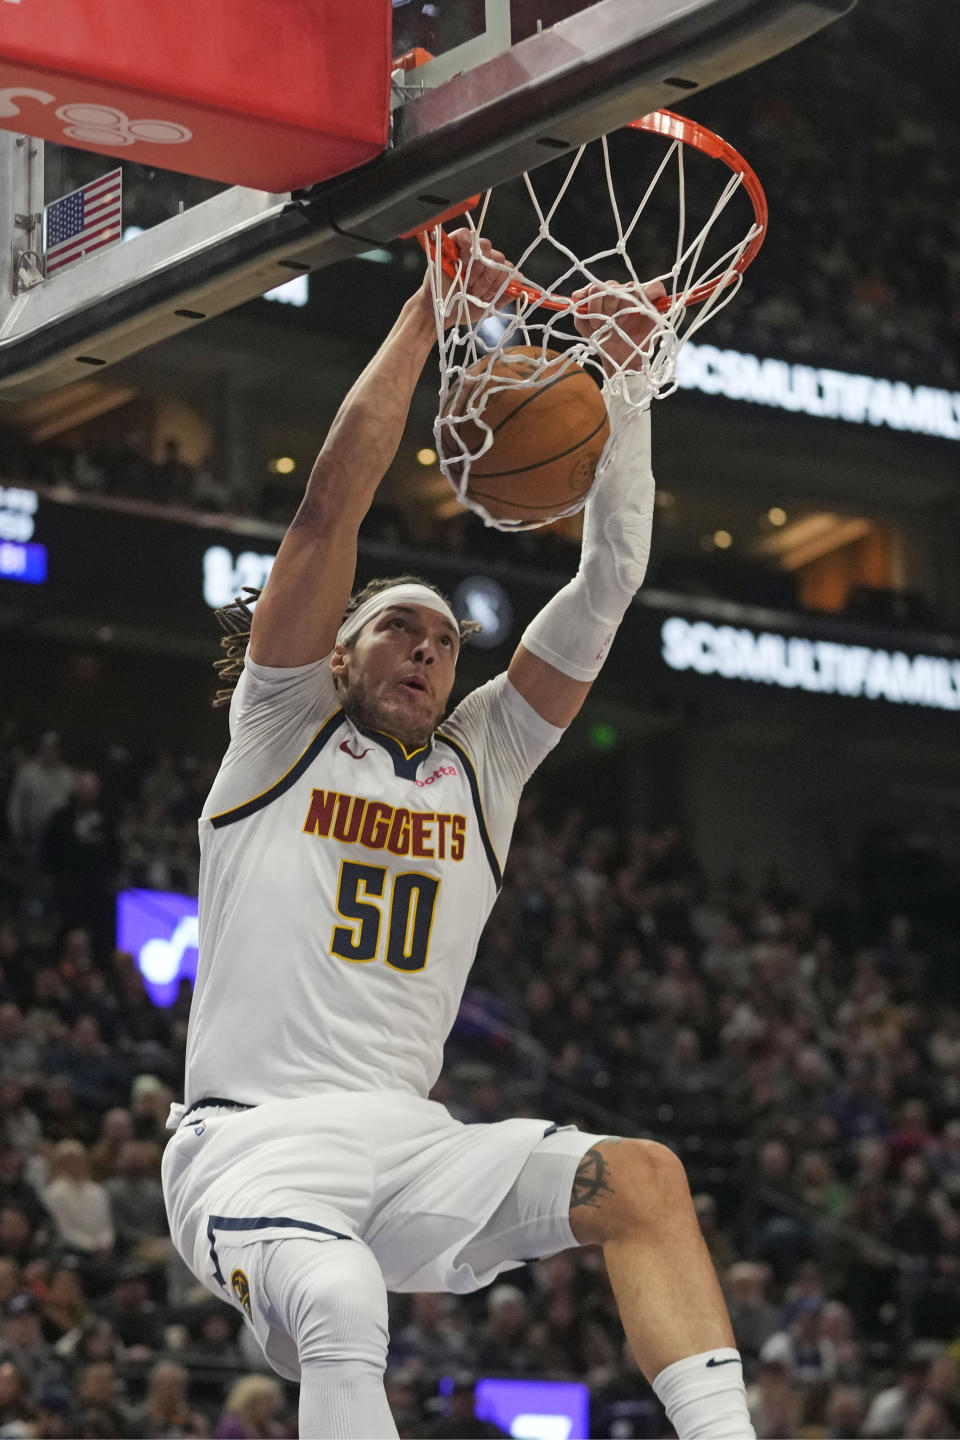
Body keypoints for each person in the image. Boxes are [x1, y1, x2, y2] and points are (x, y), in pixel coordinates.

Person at [162, 230, 753, 1440]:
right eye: (400, 630)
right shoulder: (279, 730)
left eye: (443, 640)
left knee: (642, 1179)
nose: (429, 649)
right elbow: (330, 505)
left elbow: (610, 580)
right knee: (336, 1302)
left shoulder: (482, 763)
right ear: (339, 654)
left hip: (411, 1144)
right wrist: (431, 309)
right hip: (254, 1147)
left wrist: (629, 391)